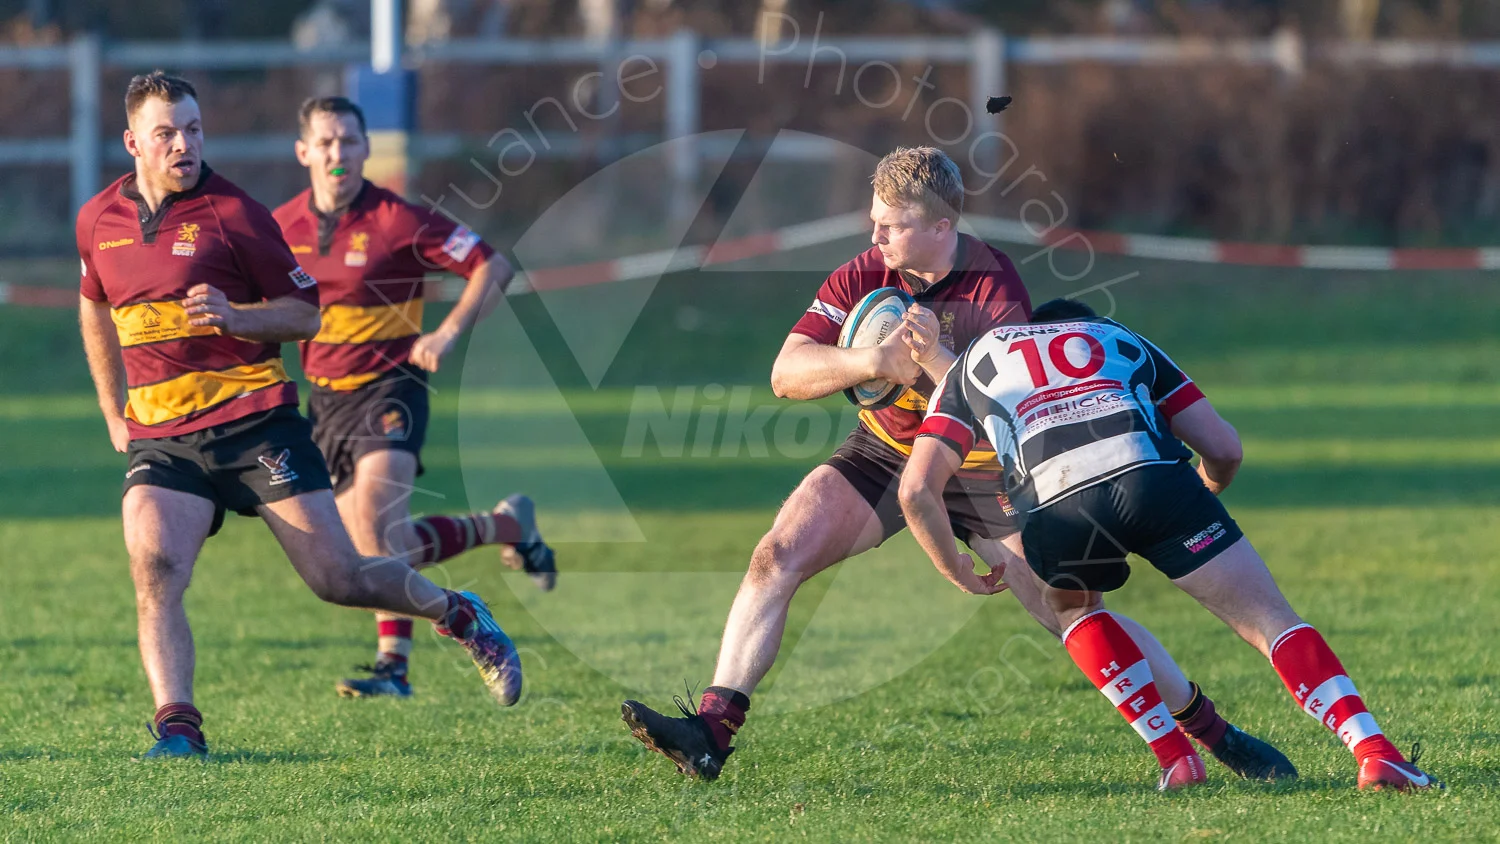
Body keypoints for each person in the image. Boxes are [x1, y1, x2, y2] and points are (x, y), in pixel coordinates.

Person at [620, 147, 1292, 787]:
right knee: (777, 554)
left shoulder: (995, 290)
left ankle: (1211, 734)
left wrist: (940, 362)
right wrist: (871, 363)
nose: (876, 234)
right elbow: (786, 372)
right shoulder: (864, 274)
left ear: (942, 225)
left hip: (985, 467)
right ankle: (712, 731)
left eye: (894, 224)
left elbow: (1011, 406)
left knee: (1074, 614)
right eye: (875, 218)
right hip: (884, 450)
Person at [77, 72, 522, 759]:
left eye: (193, 129)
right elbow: (95, 304)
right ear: (133, 141)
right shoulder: (97, 220)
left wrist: (235, 315)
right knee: (155, 566)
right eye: (166, 132)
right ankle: (178, 728)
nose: (183, 144)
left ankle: (456, 611)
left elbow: (304, 314)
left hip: (257, 423)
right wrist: (113, 408)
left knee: (338, 577)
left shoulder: (238, 216)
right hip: (164, 436)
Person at [900, 296, 1438, 791]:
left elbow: (918, 489)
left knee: (1075, 610)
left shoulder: (976, 358)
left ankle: (1174, 756)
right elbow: (1224, 447)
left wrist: (953, 567)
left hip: (1059, 502)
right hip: (1153, 479)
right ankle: (1373, 749)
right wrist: (1200, 495)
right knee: (1270, 619)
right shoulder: (1116, 335)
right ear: (1082, 325)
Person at [272, 96, 555, 699]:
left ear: (366, 148)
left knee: (376, 534)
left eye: (348, 140)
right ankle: (504, 525)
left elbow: (492, 265)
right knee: (376, 553)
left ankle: (399, 665)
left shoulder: (399, 219)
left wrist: (448, 332)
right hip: (323, 404)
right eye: (324, 142)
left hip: (390, 389)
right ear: (303, 152)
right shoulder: (281, 227)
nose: (337, 153)